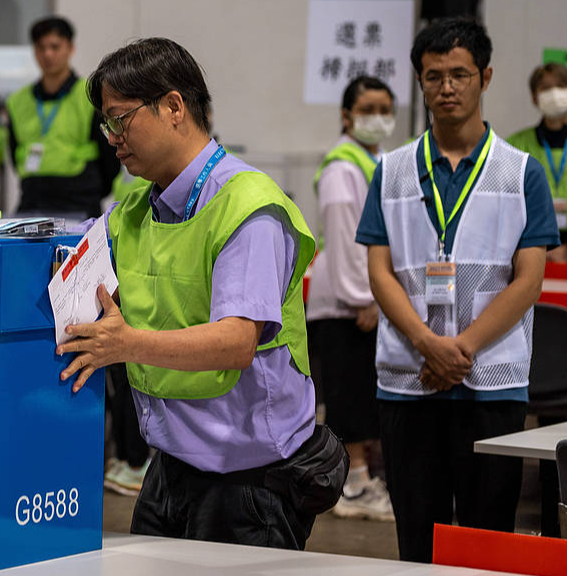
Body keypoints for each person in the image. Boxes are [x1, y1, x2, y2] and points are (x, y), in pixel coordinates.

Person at [58, 37, 346, 550]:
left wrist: (124, 345)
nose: (112, 137)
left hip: (248, 479)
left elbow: (235, 342)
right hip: (171, 465)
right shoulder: (137, 207)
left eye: (120, 118)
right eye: (106, 124)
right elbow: (57, 245)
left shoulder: (248, 207)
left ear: (173, 107)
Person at [355, 18, 559, 563]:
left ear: (485, 77)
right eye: (434, 76)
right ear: (420, 83)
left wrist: (459, 349)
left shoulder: (522, 173)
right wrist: (428, 344)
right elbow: (381, 273)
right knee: (416, 540)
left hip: (490, 383)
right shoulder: (392, 170)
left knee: (487, 540)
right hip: (408, 380)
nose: (447, 87)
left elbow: (529, 279)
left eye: (460, 74)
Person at [306, 76, 396, 522]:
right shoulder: (343, 166)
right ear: (346, 115)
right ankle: (355, 483)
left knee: (364, 388)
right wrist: (362, 297)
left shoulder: (372, 160)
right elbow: (343, 239)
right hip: (347, 302)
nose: (379, 117)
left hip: (368, 297)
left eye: (385, 108)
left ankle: (362, 477)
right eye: (369, 108)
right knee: (350, 391)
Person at [6, 16, 119, 217]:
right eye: (41, 47)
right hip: (32, 200)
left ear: (70, 48)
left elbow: (110, 155)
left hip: (80, 200)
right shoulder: (17, 101)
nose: (47, 54)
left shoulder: (91, 95)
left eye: (55, 46)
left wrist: (93, 191)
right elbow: (15, 154)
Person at [507, 63, 567, 262]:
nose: (554, 93)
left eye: (560, 85)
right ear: (534, 97)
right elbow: (509, 204)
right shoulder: (516, 144)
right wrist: (536, 246)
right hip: (529, 248)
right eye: (545, 88)